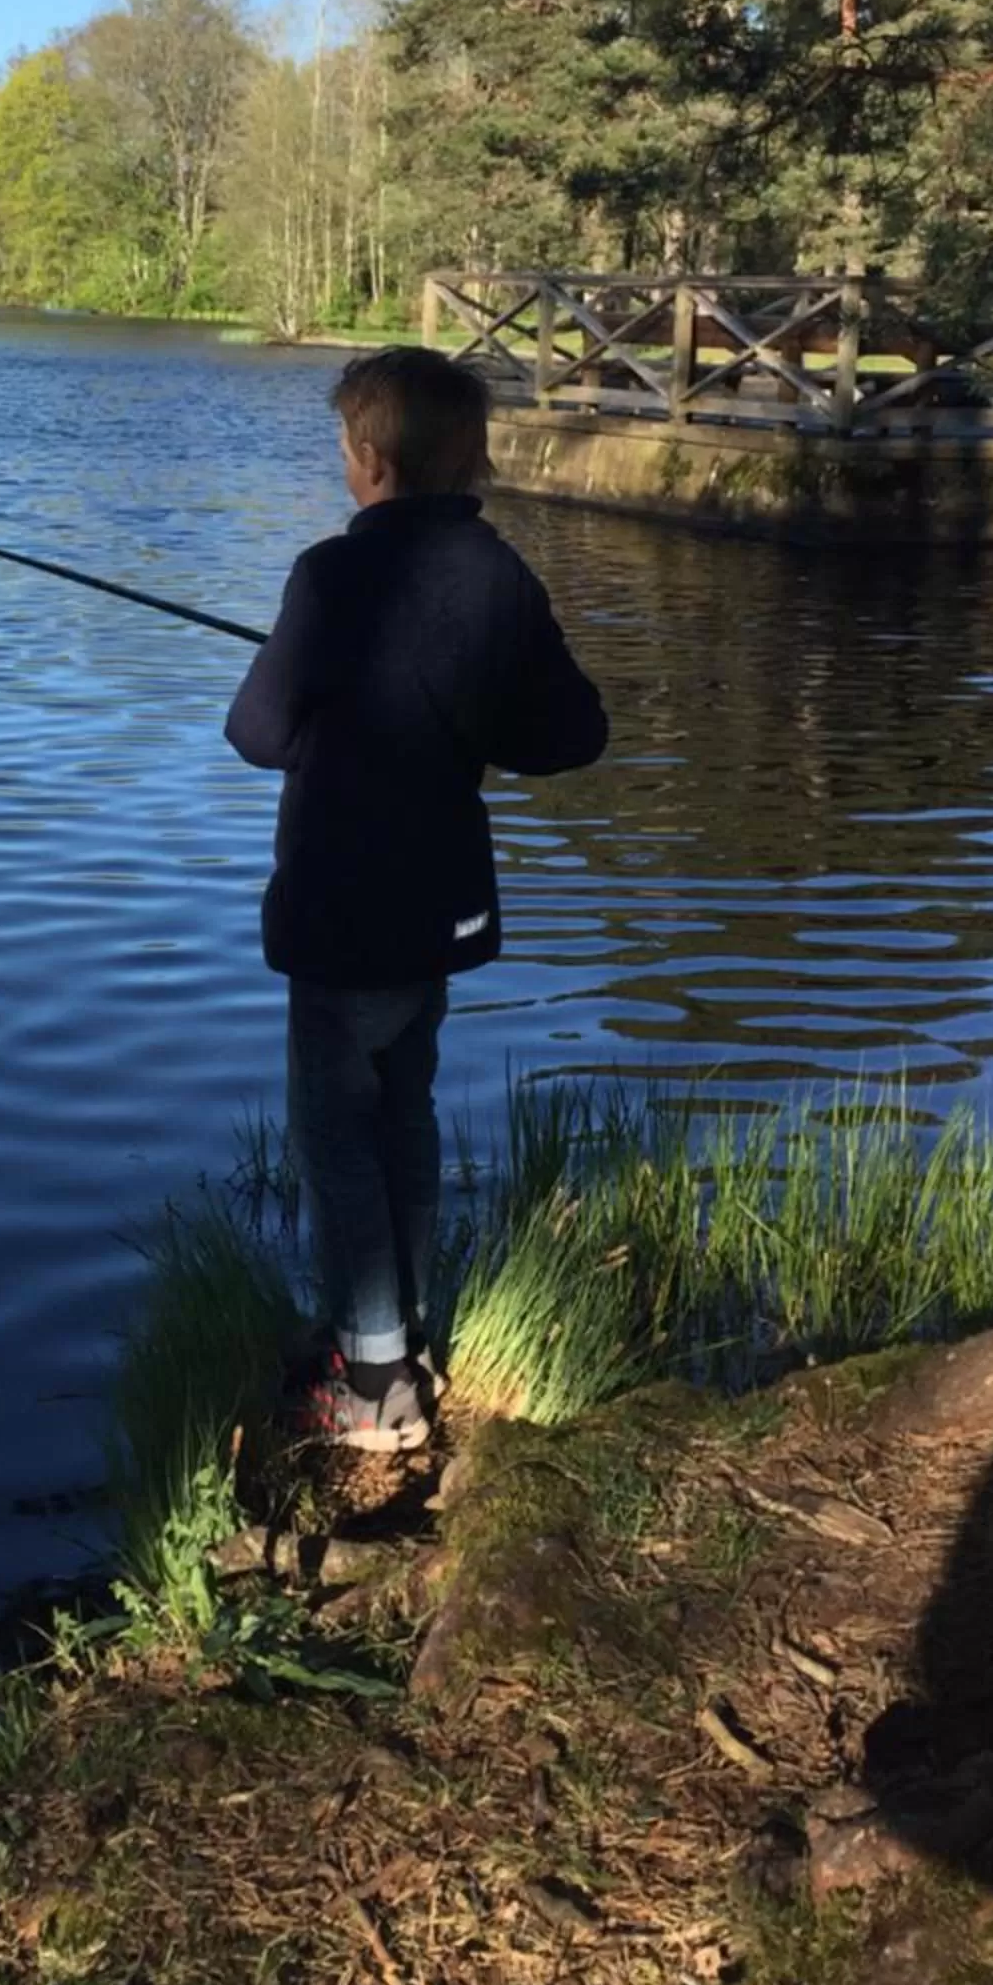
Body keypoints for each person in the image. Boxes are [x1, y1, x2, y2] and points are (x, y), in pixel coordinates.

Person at [225, 346, 608, 1453]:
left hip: (344, 913)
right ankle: (388, 1326)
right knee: (405, 1112)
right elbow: (573, 733)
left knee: (333, 1134)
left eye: (347, 448)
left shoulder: (331, 576)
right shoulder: (503, 577)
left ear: (374, 462)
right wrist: (474, 710)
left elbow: (254, 733)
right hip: (440, 911)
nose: (344, 464)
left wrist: (320, 714)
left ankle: (376, 1377)